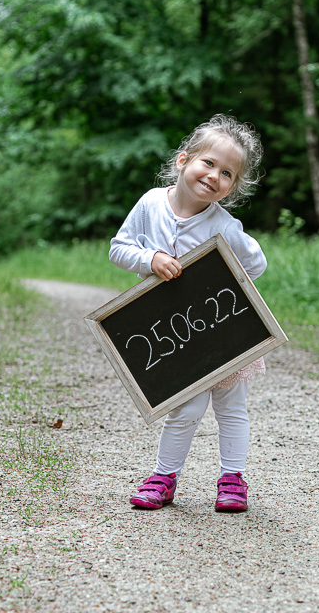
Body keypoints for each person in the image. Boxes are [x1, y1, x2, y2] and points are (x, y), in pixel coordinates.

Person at [109, 114, 267, 512]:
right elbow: (118, 248)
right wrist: (151, 257)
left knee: (231, 406)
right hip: (173, 331)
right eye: (208, 163)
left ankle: (232, 480)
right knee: (186, 405)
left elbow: (256, 264)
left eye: (227, 173)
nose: (215, 176)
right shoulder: (150, 204)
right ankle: (164, 477)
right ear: (183, 161)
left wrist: (221, 290)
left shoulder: (226, 226)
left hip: (220, 329)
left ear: (232, 187)